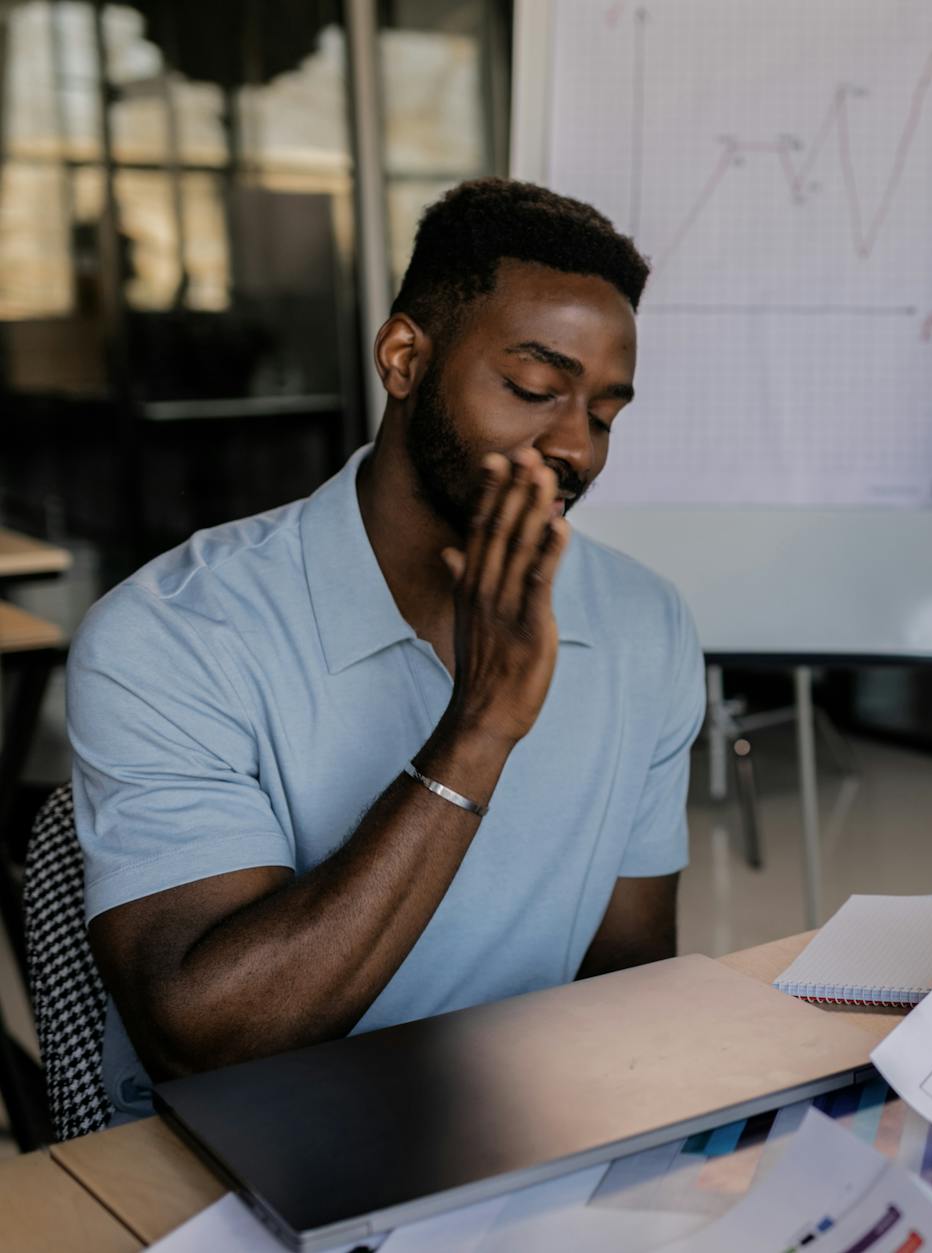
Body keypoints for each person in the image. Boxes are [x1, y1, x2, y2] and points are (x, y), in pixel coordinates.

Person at [67, 179, 704, 1123]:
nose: (575, 448)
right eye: (533, 390)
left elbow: (627, 976)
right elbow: (205, 1039)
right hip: (252, 1163)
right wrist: (480, 728)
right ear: (404, 357)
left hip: (526, 1137)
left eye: (604, 413)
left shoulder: (645, 623)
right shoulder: (169, 635)